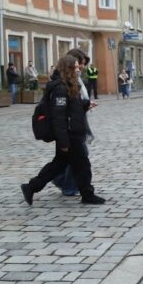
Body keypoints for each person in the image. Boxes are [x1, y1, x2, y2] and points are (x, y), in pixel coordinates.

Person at [21, 56, 106, 207]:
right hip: (69, 135)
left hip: (71, 133)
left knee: (58, 165)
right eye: (76, 67)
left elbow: (72, 108)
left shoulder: (69, 85)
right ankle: (87, 194)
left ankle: (31, 187)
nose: (79, 69)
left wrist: (86, 104)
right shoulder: (60, 88)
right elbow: (58, 117)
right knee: (83, 166)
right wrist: (63, 141)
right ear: (68, 69)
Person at [52, 49, 96, 197]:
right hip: (71, 127)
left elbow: (77, 101)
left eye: (82, 65)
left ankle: (59, 179)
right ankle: (68, 186)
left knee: (65, 159)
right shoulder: (64, 83)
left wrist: (86, 104)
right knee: (79, 155)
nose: (82, 67)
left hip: (77, 123)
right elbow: (62, 110)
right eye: (80, 64)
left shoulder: (76, 78)